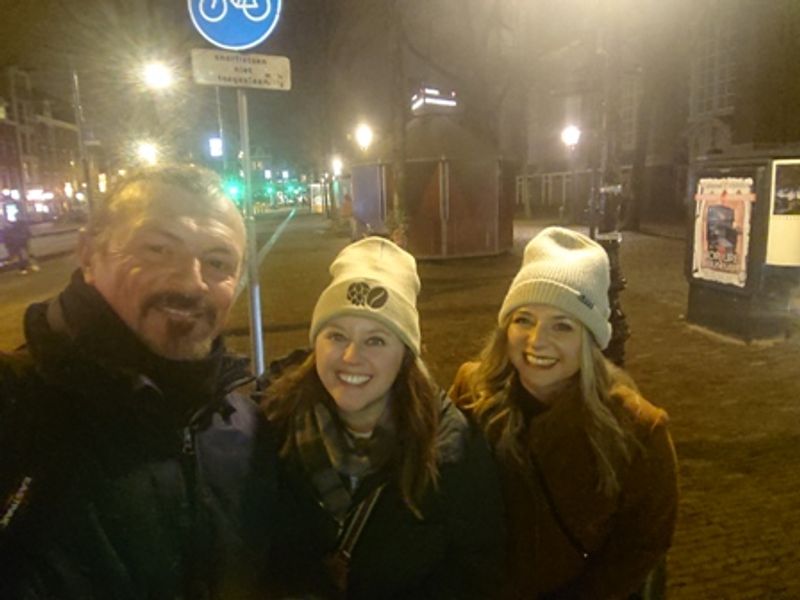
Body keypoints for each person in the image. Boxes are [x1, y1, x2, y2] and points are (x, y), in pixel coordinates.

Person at [0, 164, 274, 599]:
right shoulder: (16, 410)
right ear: (88, 255)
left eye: (218, 262)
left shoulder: (244, 429)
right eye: (159, 249)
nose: (190, 282)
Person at [257, 236, 505, 599]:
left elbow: (477, 575)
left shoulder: (451, 450)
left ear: (405, 355)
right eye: (337, 335)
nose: (351, 357)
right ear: (316, 343)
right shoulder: (270, 423)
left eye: (376, 340)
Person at [449, 227, 678, 599]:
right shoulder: (471, 392)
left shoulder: (639, 430)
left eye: (563, 325)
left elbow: (642, 546)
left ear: (589, 340)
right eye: (524, 319)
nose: (538, 340)